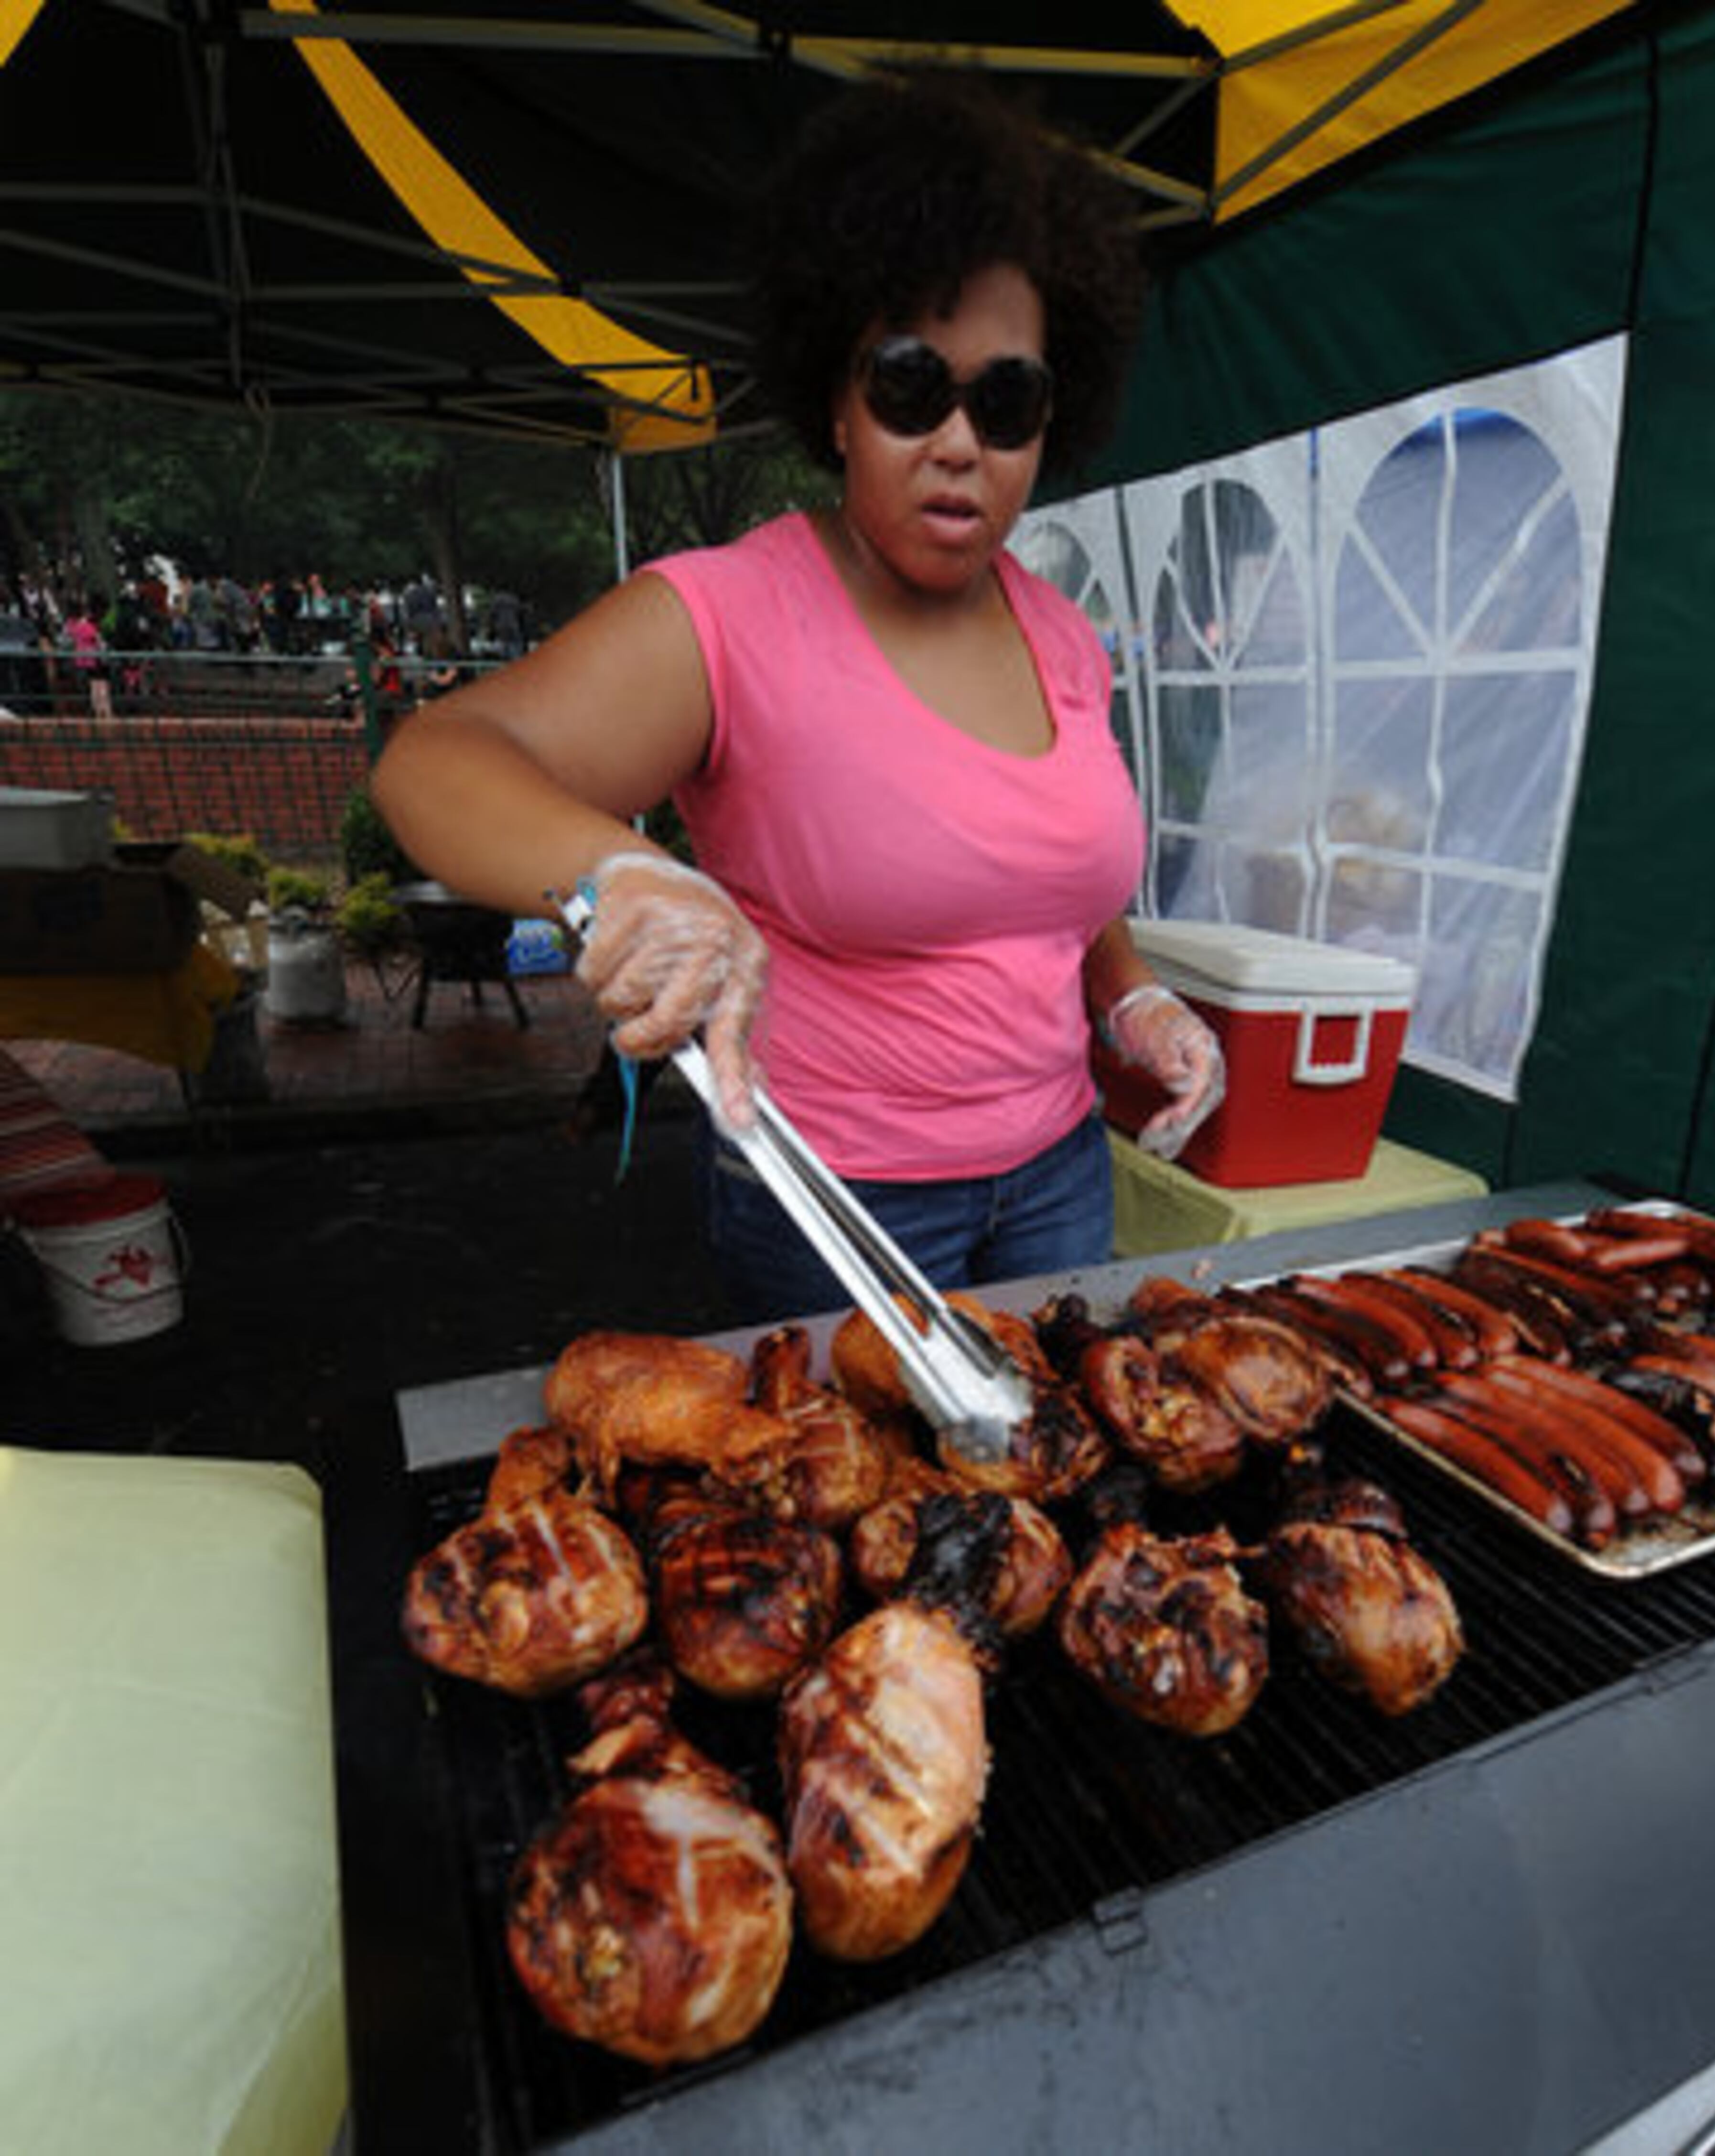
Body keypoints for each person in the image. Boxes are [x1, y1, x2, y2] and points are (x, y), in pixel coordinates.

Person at [372, 69, 1223, 1321]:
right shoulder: (725, 615)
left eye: (1007, 401)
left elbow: (1041, 872)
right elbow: (436, 759)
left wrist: (1131, 995)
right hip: (842, 1196)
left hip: (1061, 1172)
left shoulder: (1062, 635)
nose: (956, 441)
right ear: (835, 397)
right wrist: (628, 871)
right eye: (907, 384)